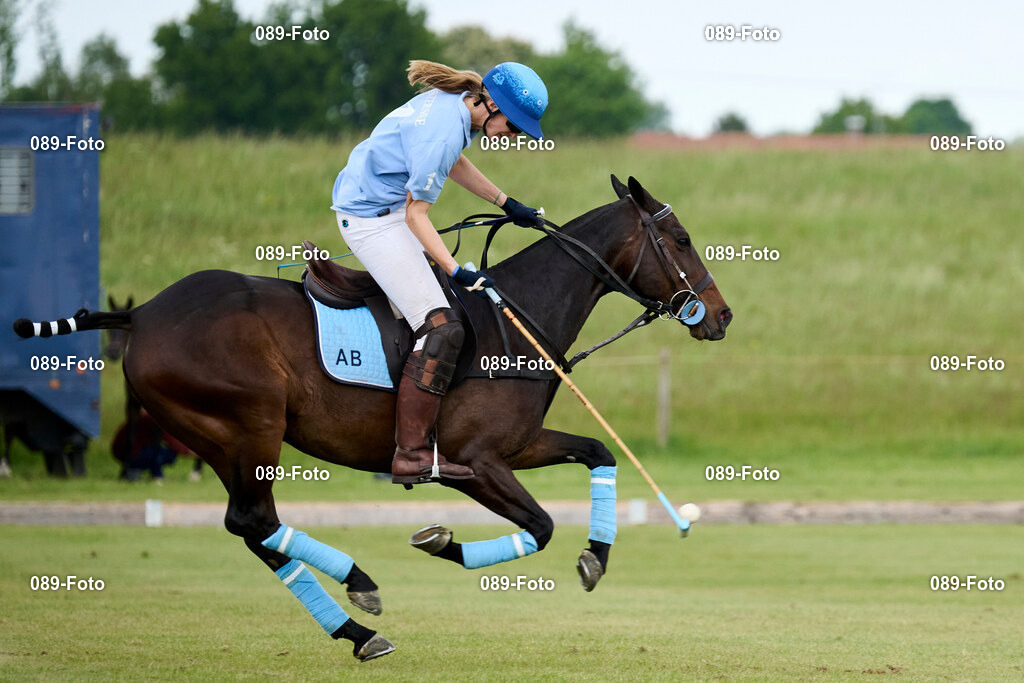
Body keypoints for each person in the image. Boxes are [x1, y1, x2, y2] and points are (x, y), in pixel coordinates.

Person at [331, 60, 548, 485]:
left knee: (448, 313)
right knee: (441, 328)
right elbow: (416, 215)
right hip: (373, 219)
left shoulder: (457, 106)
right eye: (515, 128)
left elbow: (454, 162)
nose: (513, 136)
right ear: (492, 105)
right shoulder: (443, 130)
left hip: (386, 208)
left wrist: (506, 203)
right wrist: (456, 270)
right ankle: (410, 453)